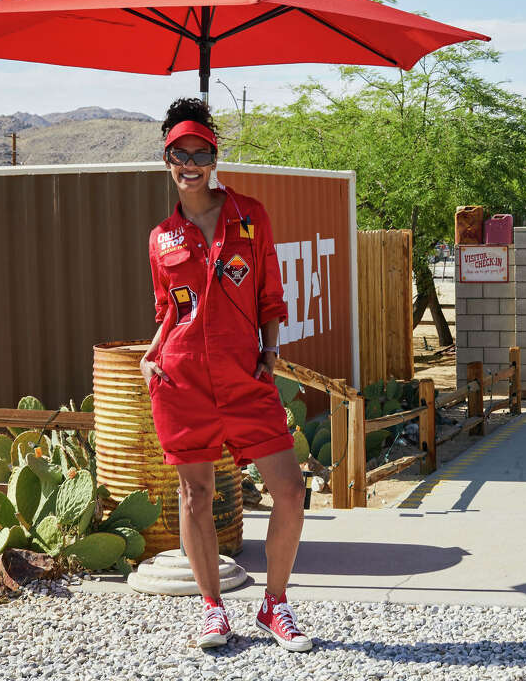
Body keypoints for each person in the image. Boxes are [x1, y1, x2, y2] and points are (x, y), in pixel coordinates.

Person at [140, 98, 313, 653]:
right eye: (179, 154)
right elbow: (168, 309)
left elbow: (269, 289)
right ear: (166, 158)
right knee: (196, 496)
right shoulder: (161, 237)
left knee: (288, 489)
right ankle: (213, 609)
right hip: (182, 377)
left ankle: (275, 604)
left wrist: (271, 347)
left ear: (215, 156)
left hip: (244, 376)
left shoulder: (250, 215)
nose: (190, 163)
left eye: (200, 153)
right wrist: (151, 355)